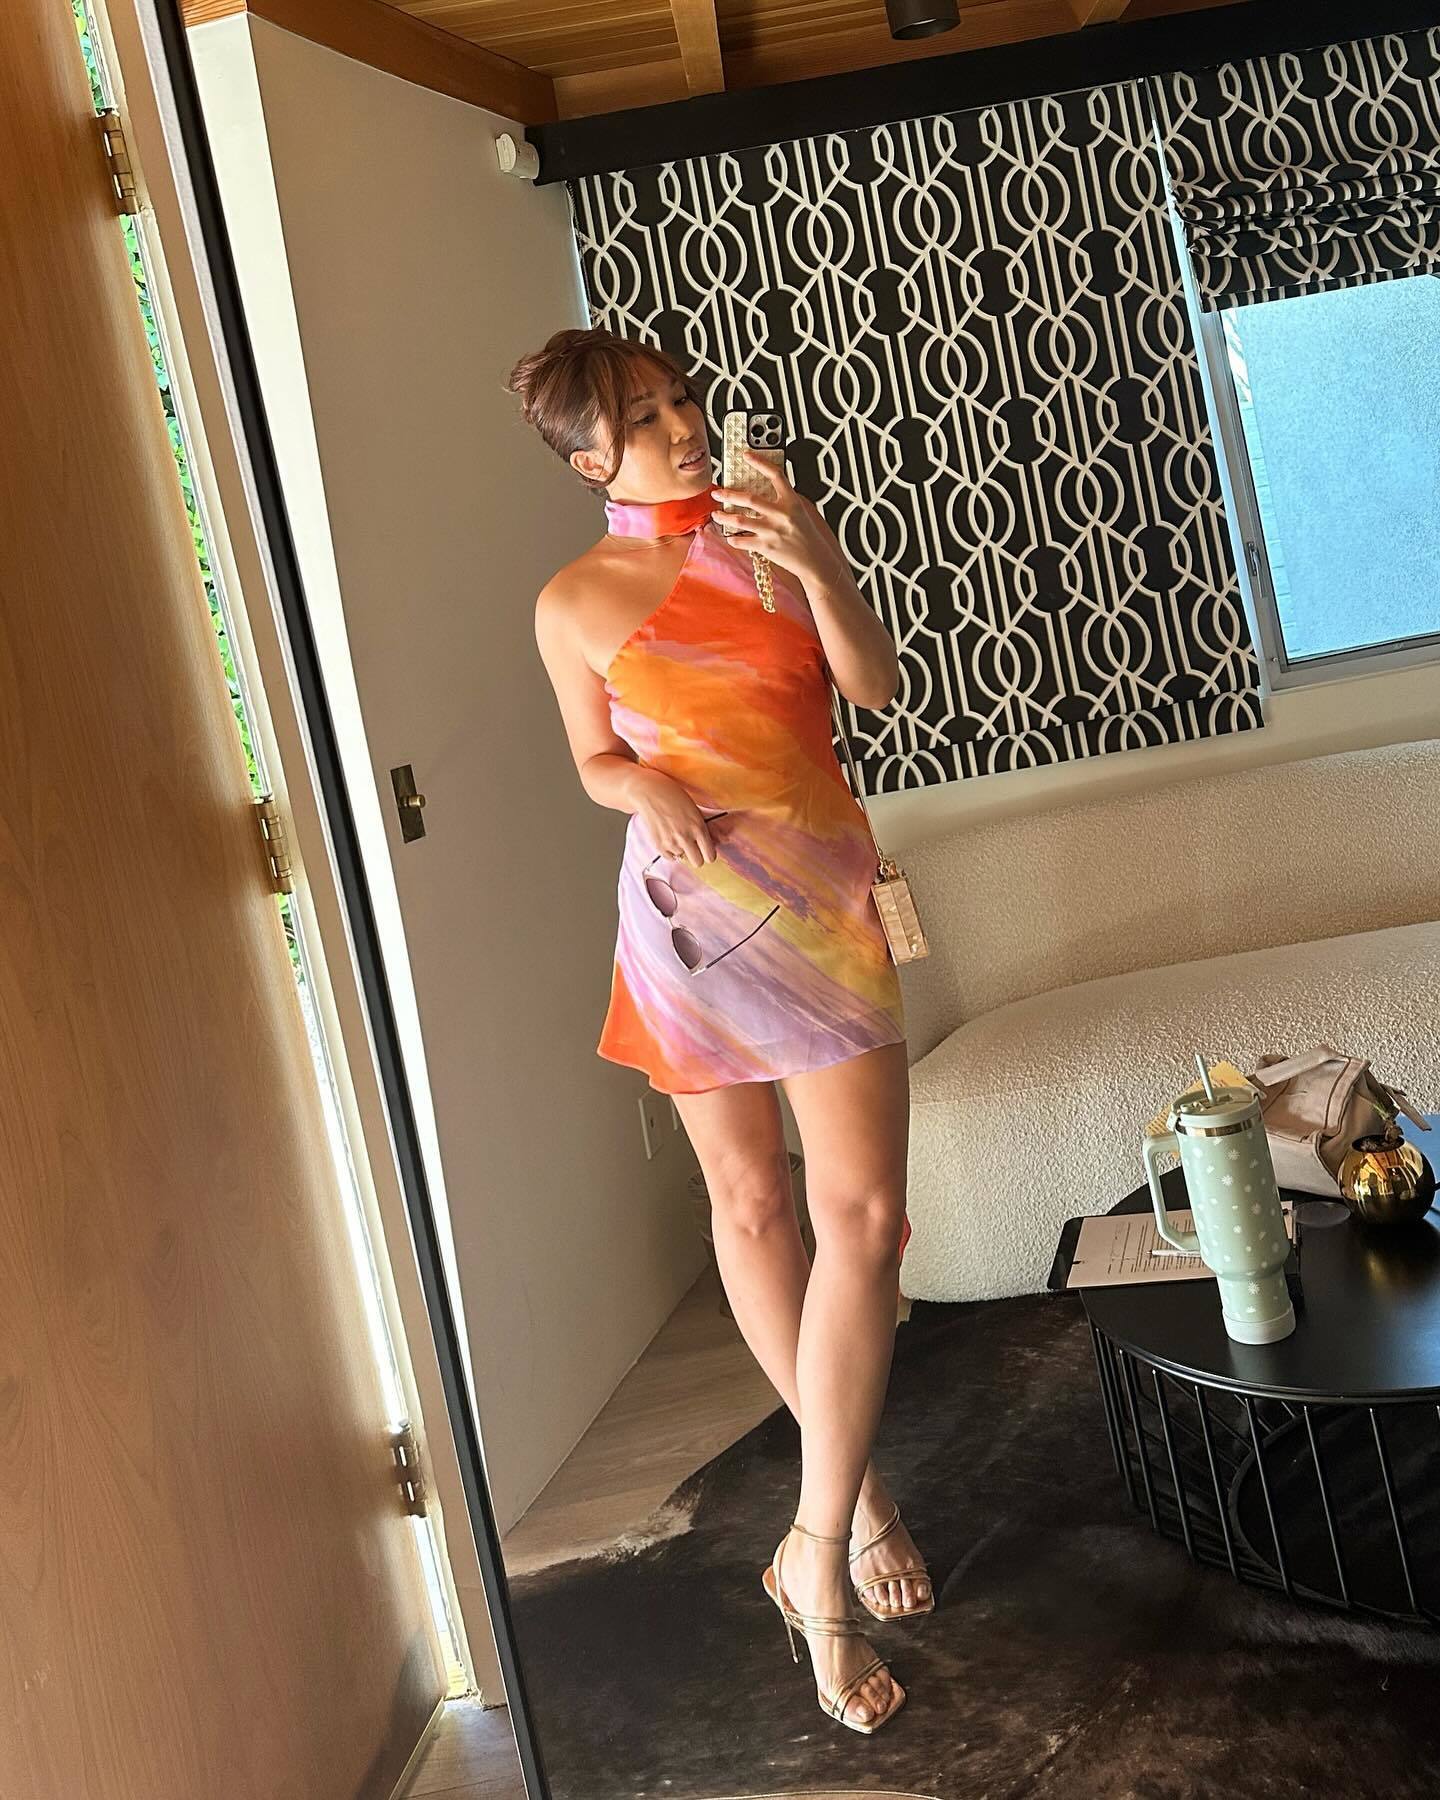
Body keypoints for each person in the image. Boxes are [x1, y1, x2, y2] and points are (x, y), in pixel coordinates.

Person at [509, 326, 930, 1735]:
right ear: (589, 461)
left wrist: (816, 557)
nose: (682, 426)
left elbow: (873, 690)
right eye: (642, 419)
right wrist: (639, 788)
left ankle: (810, 1548)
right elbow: (591, 758)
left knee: (862, 1220)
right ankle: (855, 1500)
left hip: (821, 902)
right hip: (687, 924)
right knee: (751, 1207)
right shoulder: (573, 600)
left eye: (681, 399)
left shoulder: (767, 535)